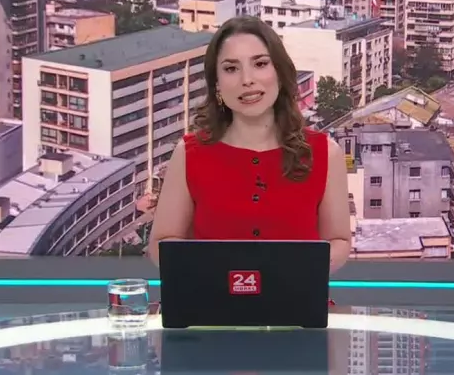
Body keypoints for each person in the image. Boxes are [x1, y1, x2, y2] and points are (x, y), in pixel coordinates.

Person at [148, 16, 351, 273]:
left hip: (295, 296)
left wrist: (300, 269)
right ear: (217, 83)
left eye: (260, 64)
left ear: (279, 72)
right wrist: (215, 270)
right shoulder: (190, 153)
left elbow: (339, 241)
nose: (247, 79)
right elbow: (161, 244)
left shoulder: (325, 153)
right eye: (231, 68)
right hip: (211, 297)